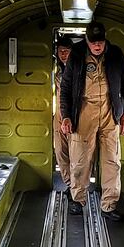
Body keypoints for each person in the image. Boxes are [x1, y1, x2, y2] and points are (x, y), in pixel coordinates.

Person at [59, 22, 124, 220]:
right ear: (87, 41)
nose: (97, 46)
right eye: (93, 42)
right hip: (84, 110)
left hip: (110, 111)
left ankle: (109, 205)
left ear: (105, 40)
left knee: (112, 160)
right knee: (80, 159)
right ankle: (77, 199)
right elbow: (65, 88)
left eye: (100, 42)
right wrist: (66, 115)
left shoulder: (115, 54)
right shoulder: (77, 54)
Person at [50, 34, 74, 193]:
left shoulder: (80, 70)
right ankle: (70, 184)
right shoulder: (56, 70)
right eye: (60, 51)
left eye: (66, 50)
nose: (63, 54)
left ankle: (78, 187)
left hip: (76, 115)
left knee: (78, 154)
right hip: (59, 115)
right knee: (60, 150)